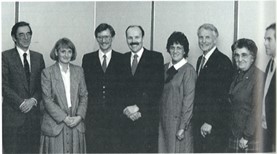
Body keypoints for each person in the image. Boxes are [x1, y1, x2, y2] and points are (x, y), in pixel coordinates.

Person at [2, 21, 45, 153]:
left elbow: (42, 84)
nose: (26, 38)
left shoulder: (38, 57)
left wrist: (33, 100)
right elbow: (3, 85)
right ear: (14, 38)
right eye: (21, 35)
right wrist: (21, 103)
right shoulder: (5, 56)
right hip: (13, 118)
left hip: (34, 118)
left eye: (28, 34)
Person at [82, 23, 126, 153]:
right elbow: (84, 87)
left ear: (112, 38)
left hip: (116, 117)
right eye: (100, 37)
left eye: (107, 37)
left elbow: (125, 89)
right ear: (96, 38)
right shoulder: (88, 58)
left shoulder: (122, 59)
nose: (104, 40)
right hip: (93, 117)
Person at [40, 38, 88, 153]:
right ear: (56, 52)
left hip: (76, 122)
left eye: (69, 51)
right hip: (55, 124)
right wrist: (64, 118)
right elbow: (47, 100)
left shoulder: (79, 71)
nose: (66, 55)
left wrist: (79, 117)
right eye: (63, 51)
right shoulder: (47, 72)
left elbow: (84, 96)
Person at [121, 25, 164, 153]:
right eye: (130, 37)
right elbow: (117, 89)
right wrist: (125, 110)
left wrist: (138, 108)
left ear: (143, 37)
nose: (133, 41)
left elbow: (156, 88)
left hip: (146, 120)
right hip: (125, 121)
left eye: (137, 37)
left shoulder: (155, 58)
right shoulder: (121, 59)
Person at [192, 23, 233, 152]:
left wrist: (210, 122)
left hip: (213, 126)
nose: (203, 41)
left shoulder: (223, 61)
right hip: (200, 122)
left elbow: (222, 96)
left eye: (207, 37)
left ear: (215, 40)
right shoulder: (200, 60)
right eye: (201, 37)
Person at [158, 31, 197, 153]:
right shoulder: (164, 68)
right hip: (163, 123)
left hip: (178, 125)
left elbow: (188, 101)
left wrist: (182, 127)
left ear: (185, 51)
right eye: (172, 47)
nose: (175, 51)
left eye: (179, 48)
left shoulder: (188, 71)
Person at [227, 38, 264, 152]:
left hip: (248, 137)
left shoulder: (258, 77)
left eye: (244, 55)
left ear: (252, 58)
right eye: (236, 55)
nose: (239, 59)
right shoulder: (237, 75)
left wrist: (246, 136)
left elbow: (257, 109)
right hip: (235, 133)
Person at [260, 23, 276, 152]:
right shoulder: (270, 63)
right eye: (265, 39)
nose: (265, 43)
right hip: (266, 130)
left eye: (269, 39)